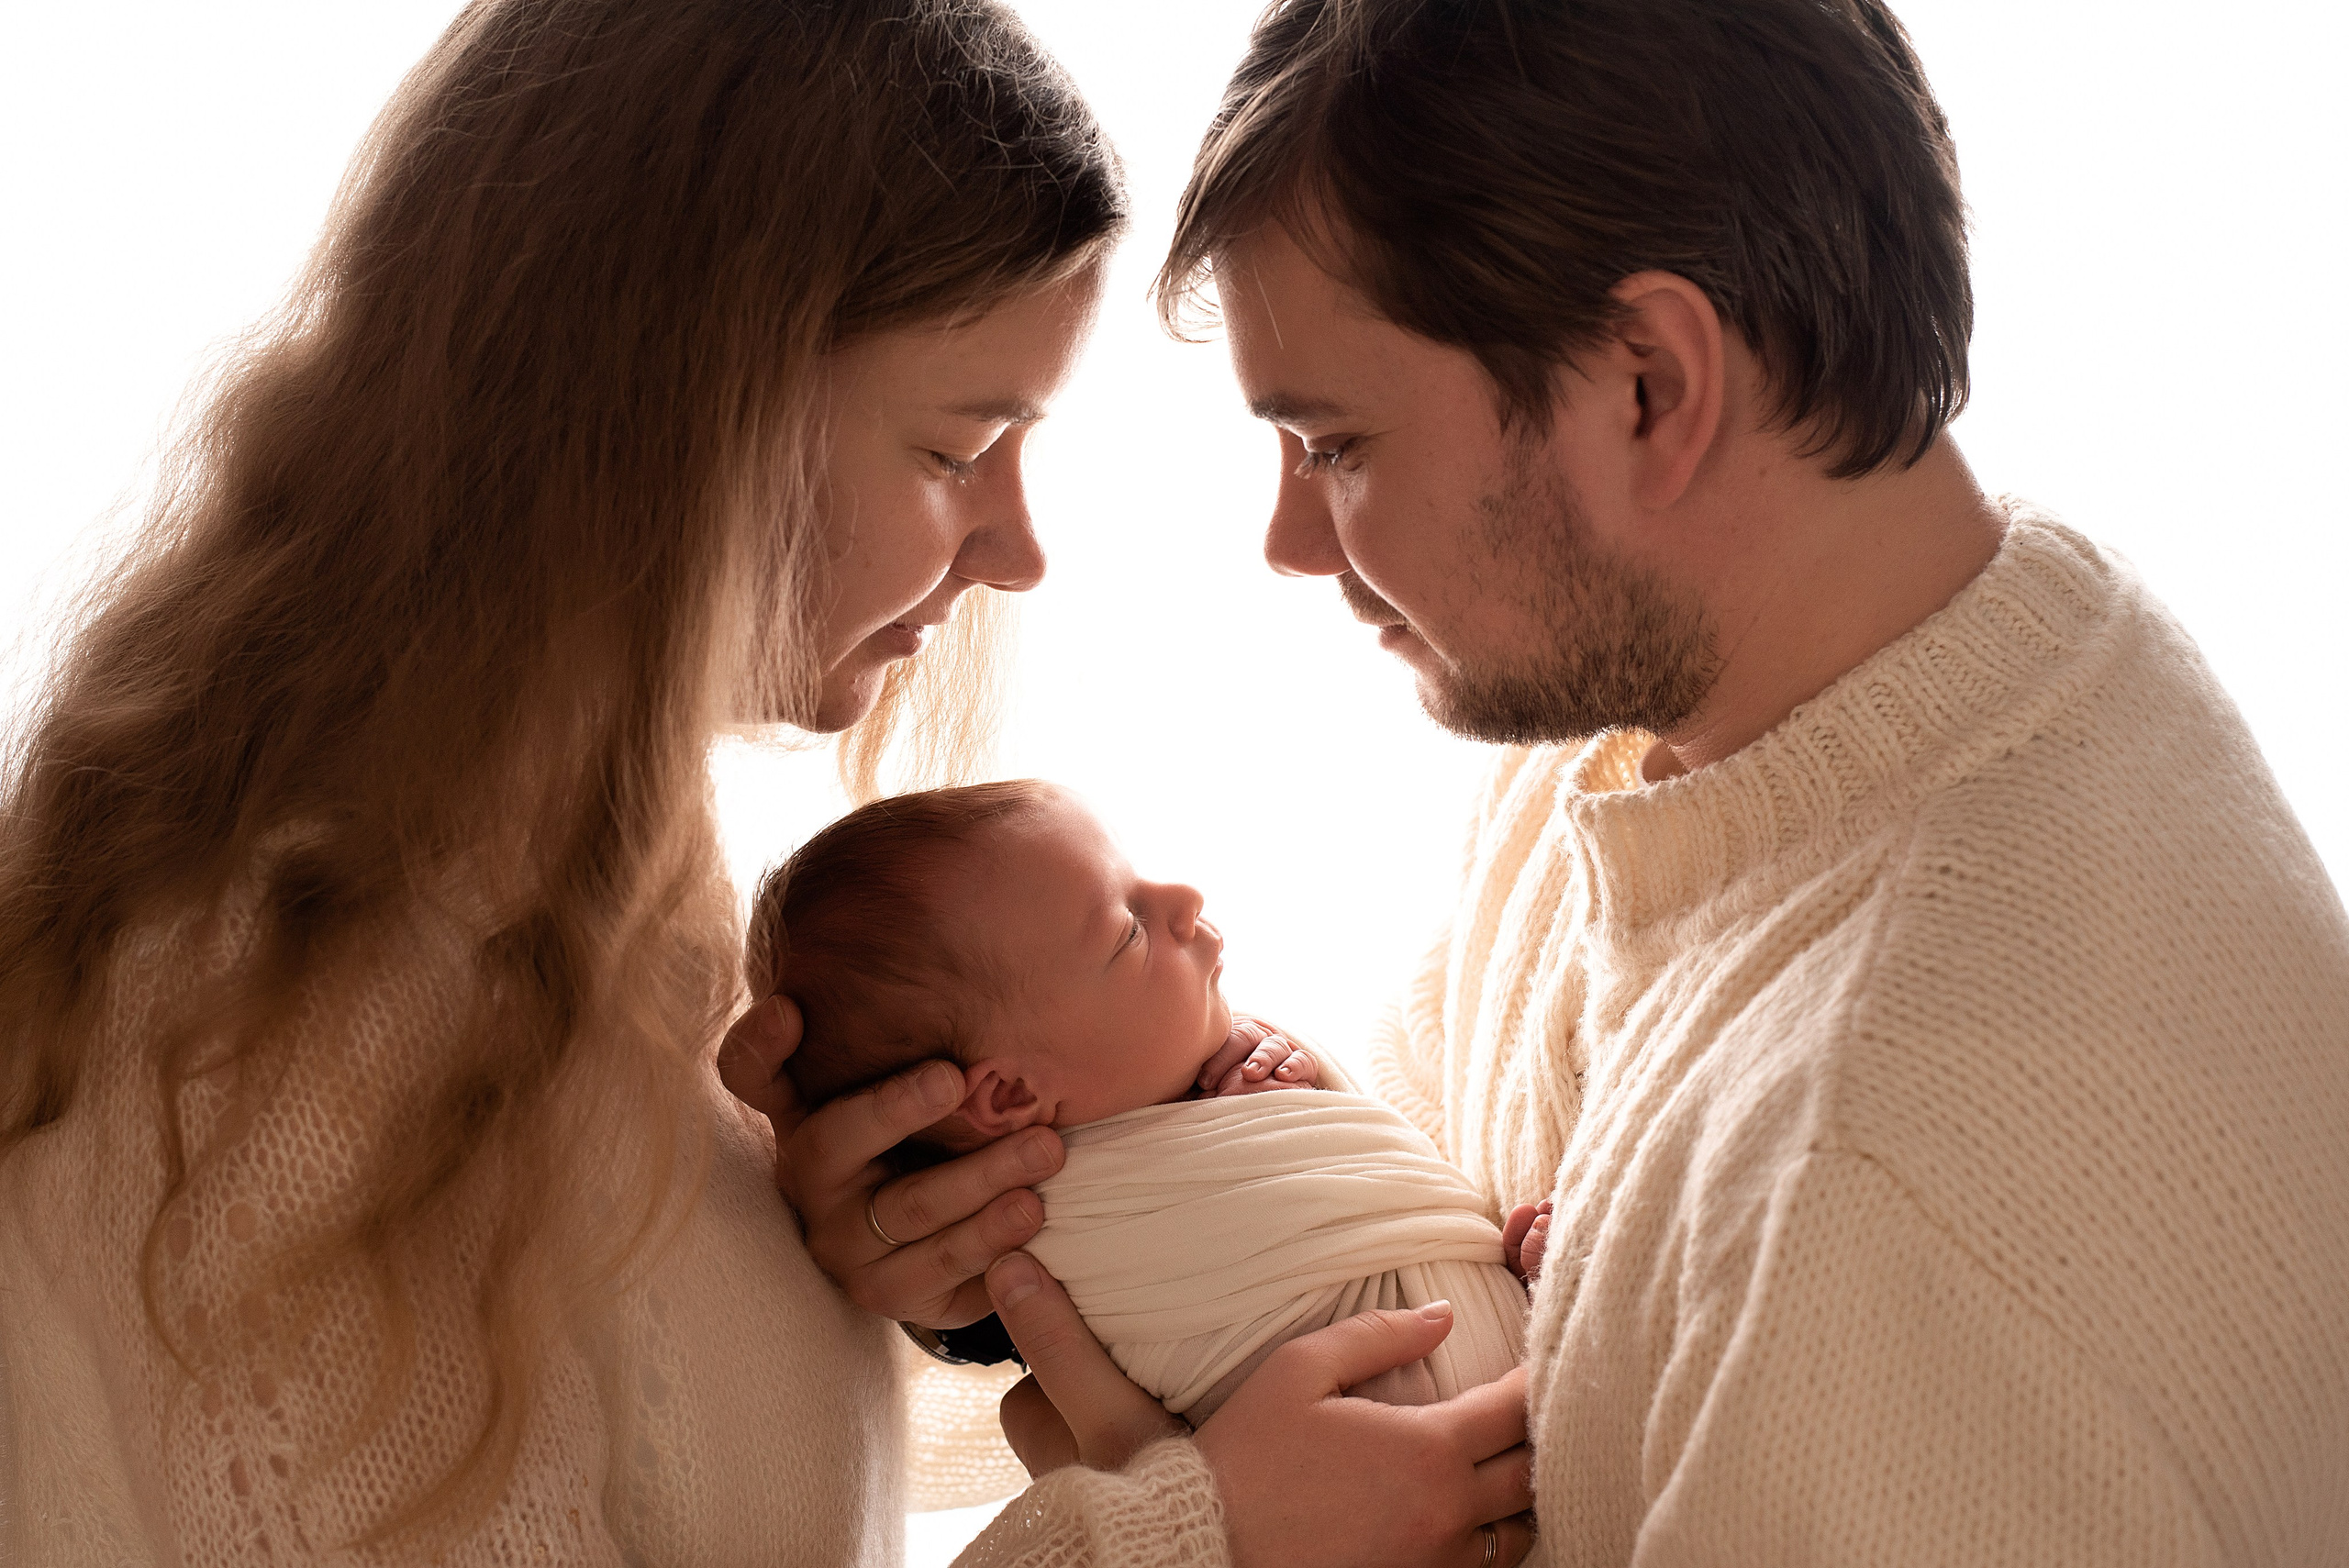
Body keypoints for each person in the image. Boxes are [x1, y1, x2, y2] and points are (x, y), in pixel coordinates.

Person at [729, 0, 2349, 1563]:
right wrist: (966, 1267)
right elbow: (1377, 1225)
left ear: (1651, 381)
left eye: (1336, 443)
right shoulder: (1711, 738)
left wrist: (1178, 1533)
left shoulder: (1897, 1201)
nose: (1293, 544)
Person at [0, 3, 1533, 1563]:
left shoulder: (612, 905)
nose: (1018, 547)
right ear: (681, 425)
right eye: (957, 449)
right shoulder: (258, 1051)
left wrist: (928, 1296)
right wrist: (1194, 1532)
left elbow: (675, 1454)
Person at [744, 778, 1531, 1424]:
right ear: (1011, 1092)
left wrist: (1296, 1072)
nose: (1184, 895)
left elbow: (1356, 1168)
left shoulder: (1184, 1086)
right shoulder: (1066, 1227)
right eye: (1127, 931)